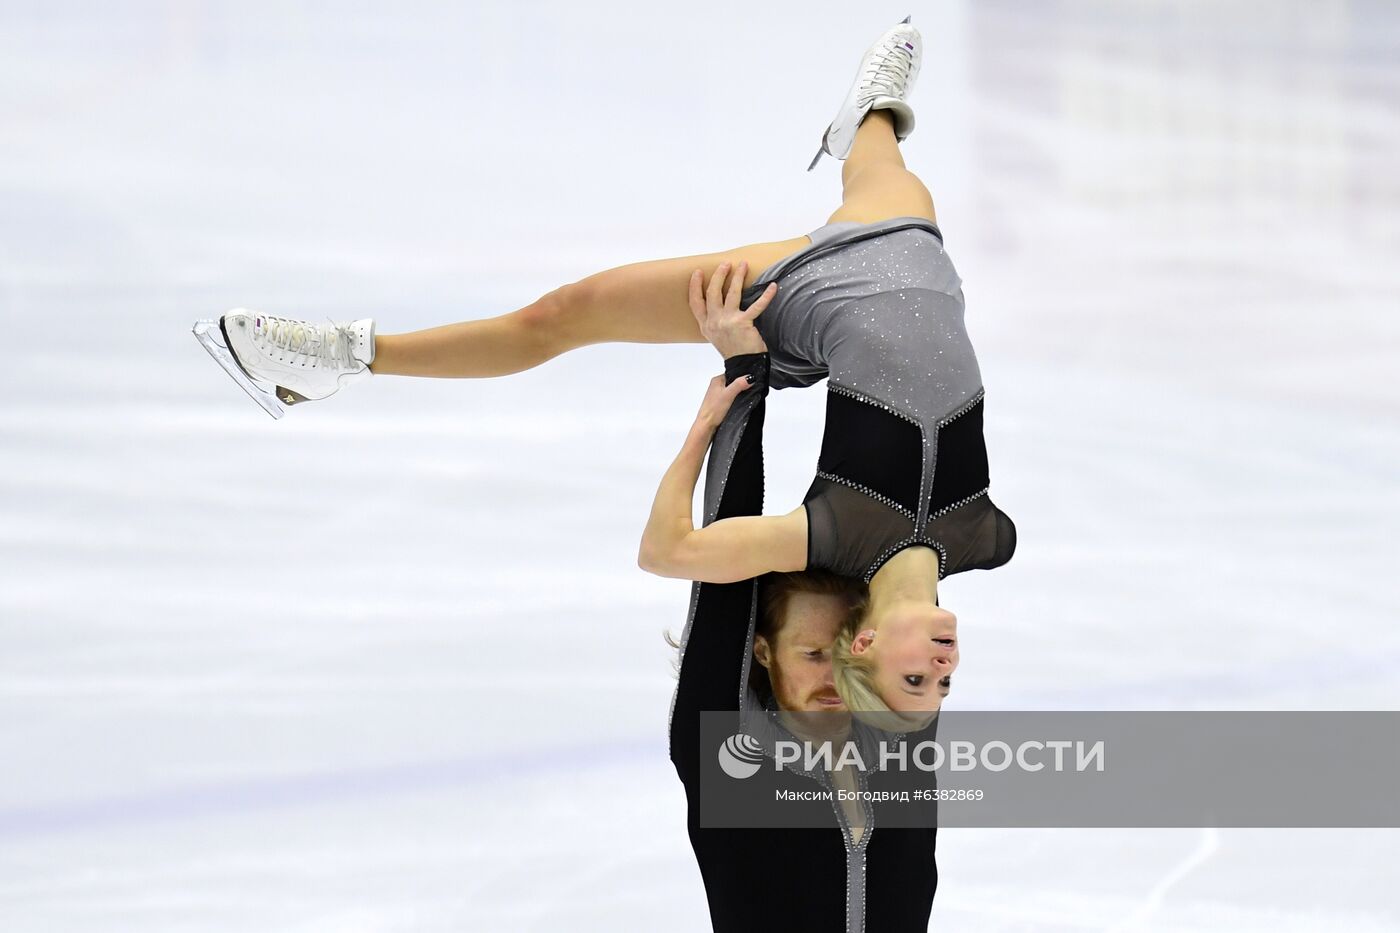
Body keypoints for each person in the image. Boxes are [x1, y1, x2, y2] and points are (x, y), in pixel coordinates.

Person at [189, 15, 1014, 714]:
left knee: (564, 312)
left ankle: (343, 358)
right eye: (944, 682)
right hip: (913, 252)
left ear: (862, 642)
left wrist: (703, 429)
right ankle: (869, 112)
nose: (942, 668)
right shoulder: (986, 538)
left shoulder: (827, 534)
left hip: (801, 301)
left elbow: (668, 552)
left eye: (915, 677)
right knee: (879, 157)